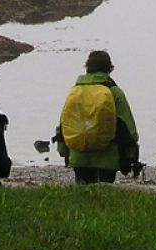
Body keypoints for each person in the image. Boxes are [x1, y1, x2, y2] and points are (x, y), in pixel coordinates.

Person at [55, 49, 139, 185]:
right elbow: (129, 129)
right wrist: (130, 155)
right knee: (104, 198)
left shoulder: (75, 91)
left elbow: (64, 123)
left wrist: (63, 150)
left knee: (83, 196)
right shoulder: (114, 92)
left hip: (78, 155)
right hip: (107, 158)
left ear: (87, 67)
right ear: (109, 68)